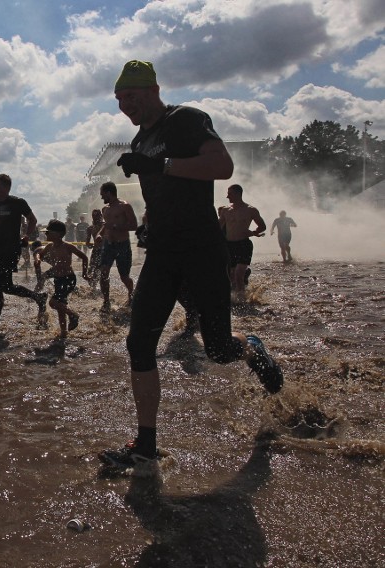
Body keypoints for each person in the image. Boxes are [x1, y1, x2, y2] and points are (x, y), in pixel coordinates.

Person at [101, 60, 284, 471]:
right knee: (139, 343)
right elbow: (160, 195)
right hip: (163, 252)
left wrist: (161, 165)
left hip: (202, 248)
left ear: (153, 90)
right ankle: (145, 447)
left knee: (218, 349)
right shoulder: (139, 140)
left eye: (131, 96)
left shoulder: (184, 119)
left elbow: (222, 167)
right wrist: (147, 226)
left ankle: (251, 347)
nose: (124, 105)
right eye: (118, 99)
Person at [0, 173, 48, 336]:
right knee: (6, 287)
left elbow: (33, 219)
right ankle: (38, 297)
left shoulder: (17, 202)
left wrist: (26, 236)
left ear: (7, 188)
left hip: (12, 249)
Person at [34, 219, 88, 339]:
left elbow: (84, 257)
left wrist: (85, 274)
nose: (46, 234)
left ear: (58, 234)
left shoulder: (67, 246)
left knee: (53, 303)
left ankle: (73, 315)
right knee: (60, 306)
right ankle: (64, 333)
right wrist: (37, 259)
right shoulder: (49, 246)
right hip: (58, 279)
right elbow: (39, 254)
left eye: (48, 232)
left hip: (69, 279)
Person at [218, 184, 266, 303]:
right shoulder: (225, 210)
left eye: (230, 193)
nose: (227, 196)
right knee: (232, 275)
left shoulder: (250, 210)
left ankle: (241, 300)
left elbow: (262, 226)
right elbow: (218, 228)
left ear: (238, 194)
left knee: (238, 273)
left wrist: (253, 232)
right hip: (230, 245)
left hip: (244, 244)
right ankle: (235, 296)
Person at [97, 182, 139, 310]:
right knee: (103, 273)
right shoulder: (105, 209)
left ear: (109, 193)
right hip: (108, 245)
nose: (101, 197)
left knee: (124, 276)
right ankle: (106, 301)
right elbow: (106, 226)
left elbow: (134, 225)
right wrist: (99, 235)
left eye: (102, 194)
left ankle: (131, 295)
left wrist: (115, 227)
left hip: (122, 245)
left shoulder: (124, 206)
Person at [85, 209, 105, 294]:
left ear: (101, 216)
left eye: (97, 216)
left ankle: (96, 287)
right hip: (96, 250)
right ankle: (93, 286)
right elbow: (87, 242)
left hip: (104, 251)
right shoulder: (90, 228)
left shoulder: (105, 226)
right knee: (91, 269)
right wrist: (90, 245)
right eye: (94, 216)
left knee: (98, 269)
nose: (95, 218)